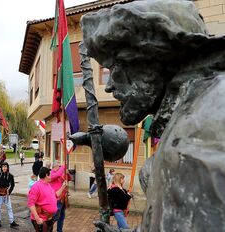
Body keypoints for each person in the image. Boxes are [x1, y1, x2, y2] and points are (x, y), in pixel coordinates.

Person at [81, 1, 225, 231]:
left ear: (148, 62)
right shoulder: (188, 112)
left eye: (115, 68)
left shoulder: (203, 122)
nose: (109, 87)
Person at [28, 167, 67, 232]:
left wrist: (63, 187)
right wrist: (37, 218)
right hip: (41, 220)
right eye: (50, 174)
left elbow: (55, 195)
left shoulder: (48, 185)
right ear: (46, 175)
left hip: (49, 218)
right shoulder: (36, 186)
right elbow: (31, 203)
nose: (51, 176)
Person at [0, 162, 19, 228]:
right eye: (3, 167)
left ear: (7, 167)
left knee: (9, 208)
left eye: (5, 167)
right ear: (1, 167)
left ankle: (12, 222)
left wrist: (9, 192)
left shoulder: (10, 176)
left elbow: (12, 185)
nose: (4, 168)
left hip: (6, 194)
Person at [49, 161, 67, 232]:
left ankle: (59, 231)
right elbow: (58, 173)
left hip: (62, 199)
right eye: (59, 167)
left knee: (61, 217)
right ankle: (49, 229)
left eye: (60, 167)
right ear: (54, 167)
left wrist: (66, 174)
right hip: (56, 200)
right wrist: (63, 166)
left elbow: (68, 178)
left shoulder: (59, 175)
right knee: (54, 217)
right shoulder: (51, 174)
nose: (60, 168)